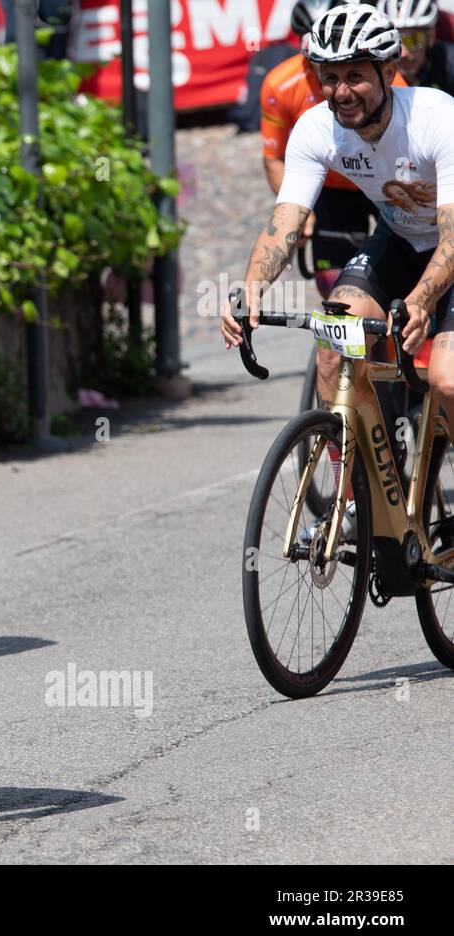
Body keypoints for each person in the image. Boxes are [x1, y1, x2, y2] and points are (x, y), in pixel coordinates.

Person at [221, 4, 454, 535]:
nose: (341, 92)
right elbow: (285, 223)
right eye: (330, 77)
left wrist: (420, 300)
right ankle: (354, 501)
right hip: (399, 239)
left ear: (388, 71)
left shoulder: (437, 118)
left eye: (354, 76)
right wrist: (252, 289)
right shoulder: (317, 129)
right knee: (334, 344)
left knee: (445, 379)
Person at [260, 0, 407, 298]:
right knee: (336, 301)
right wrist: (305, 217)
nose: (339, 87)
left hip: (385, 181)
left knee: (401, 288)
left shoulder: (391, 84)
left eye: (351, 73)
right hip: (332, 190)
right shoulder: (279, 85)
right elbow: (274, 159)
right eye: (323, 66)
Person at [383, 0, 454, 91]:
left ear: (431, 37)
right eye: (394, 41)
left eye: (414, 40)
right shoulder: (376, 71)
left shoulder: (450, 64)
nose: (403, 53)